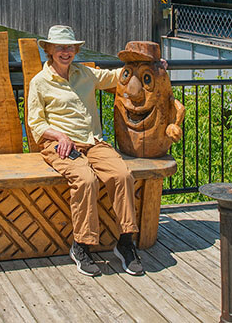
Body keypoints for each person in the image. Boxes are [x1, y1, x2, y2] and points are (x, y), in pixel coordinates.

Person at [26, 24, 144, 276]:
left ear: (76, 50)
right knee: (86, 179)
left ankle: (125, 243)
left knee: (122, 176)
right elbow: (36, 123)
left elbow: (117, 76)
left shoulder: (86, 74)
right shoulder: (39, 82)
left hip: (93, 142)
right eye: (60, 47)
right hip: (59, 144)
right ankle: (81, 245)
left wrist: (152, 66)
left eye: (69, 47)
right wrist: (59, 135)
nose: (65, 52)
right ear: (49, 50)